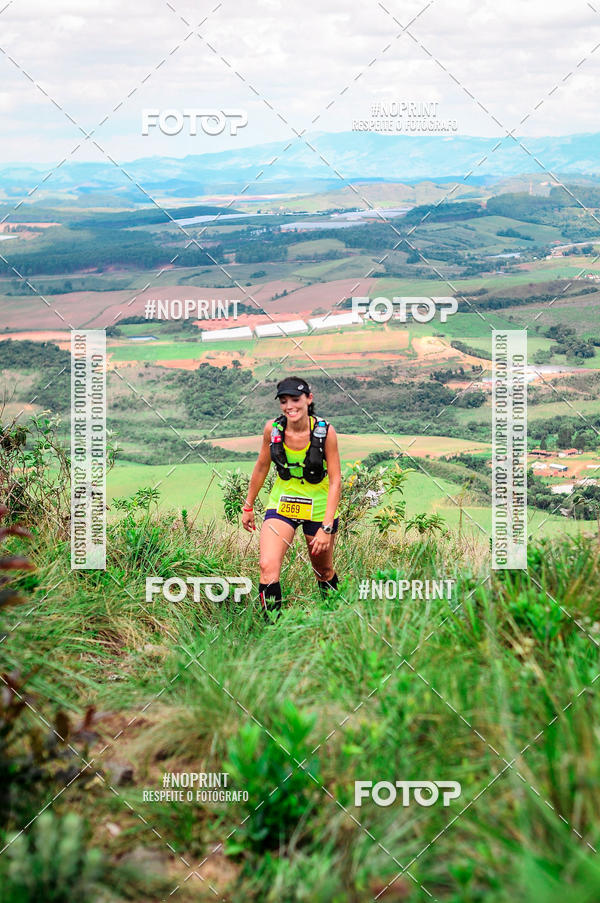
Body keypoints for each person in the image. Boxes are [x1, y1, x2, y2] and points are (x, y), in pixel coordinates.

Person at [241, 376, 341, 616]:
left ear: (309, 399)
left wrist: (326, 527)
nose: (290, 406)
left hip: (318, 508)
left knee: (323, 571)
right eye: (284, 401)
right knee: (267, 567)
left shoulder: (325, 432)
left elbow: (336, 480)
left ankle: (333, 618)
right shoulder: (273, 430)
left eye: (295, 400)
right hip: (282, 504)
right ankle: (272, 628)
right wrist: (248, 505)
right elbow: (262, 467)